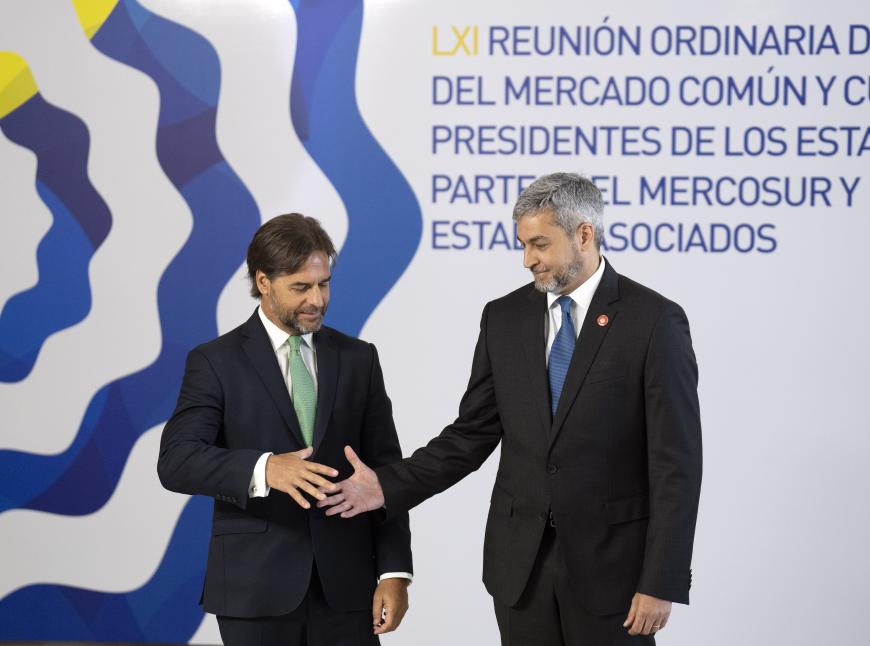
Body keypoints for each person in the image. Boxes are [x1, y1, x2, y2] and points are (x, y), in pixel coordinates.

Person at [319, 173, 703, 644]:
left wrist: (659, 580)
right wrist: (387, 485)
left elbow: (676, 465)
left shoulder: (654, 321)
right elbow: (471, 435)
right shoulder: (503, 317)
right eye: (522, 245)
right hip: (521, 572)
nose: (528, 261)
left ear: (584, 233)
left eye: (539, 244)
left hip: (615, 575)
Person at [158, 213, 412, 646]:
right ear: (263, 282)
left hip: (348, 590)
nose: (317, 299)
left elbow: (385, 471)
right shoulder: (215, 361)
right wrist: (265, 469)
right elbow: (177, 460)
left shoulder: (359, 359)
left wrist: (394, 572)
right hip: (253, 592)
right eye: (301, 287)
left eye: (324, 284)